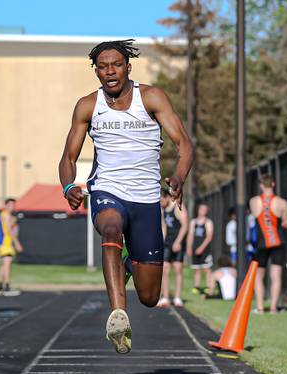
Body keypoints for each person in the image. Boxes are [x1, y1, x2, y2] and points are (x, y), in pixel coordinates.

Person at [58, 39, 194, 354]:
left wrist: (178, 177)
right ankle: (119, 315)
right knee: (109, 227)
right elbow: (67, 157)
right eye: (103, 66)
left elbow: (184, 144)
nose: (110, 71)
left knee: (149, 296)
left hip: (146, 200)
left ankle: (127, 264)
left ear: (127, 67)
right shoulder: (88, 106)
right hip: (107, 190)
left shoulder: (152, 97)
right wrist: (69, 187)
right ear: (96, 71)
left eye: (116, 64)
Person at [249, 174, 287, 314]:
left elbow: (255, 217)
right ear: (273, 184)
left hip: (261, 244)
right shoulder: (282, 203)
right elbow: (285, 224)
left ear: (261, 185)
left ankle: (260, 308)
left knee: (258, 277)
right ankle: (273, 308)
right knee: (276, 277)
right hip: (277, 243)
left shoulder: (254, 201)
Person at [157, 188, 189, 307]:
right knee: (165, 269)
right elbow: (164, 226)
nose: (160, 203)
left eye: (161, 200)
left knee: (178, 269)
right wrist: (162, 241)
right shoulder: (163, 209)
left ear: (166, 197)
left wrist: (178, 241)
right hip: (168, 243)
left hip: (178, 242)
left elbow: (185, 225)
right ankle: (165, 297)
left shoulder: (177, 207)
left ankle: (177, 297)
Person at [0, 198, 23, 296]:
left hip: (2, 242)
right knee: (7, 265)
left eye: (13, 205)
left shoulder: (3, 215)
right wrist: (17, 243)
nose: (12, 207)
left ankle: (0, 287)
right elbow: (8, 230)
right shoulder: (6, 215)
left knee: (3, 265)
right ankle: (6, 287)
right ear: (6, 205)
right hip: (5, 243)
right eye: (10, 205)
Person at [187, 202, 214, 295]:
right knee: (196, 269)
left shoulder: (208, 222)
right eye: (201, 209)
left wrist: (202, 248)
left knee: (207, 269)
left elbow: (209, 236)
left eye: (204, 210)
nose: (202, 211)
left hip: (205, 249)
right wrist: (189, 247)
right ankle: (196, 287)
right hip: (195, 247)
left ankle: (208, 286)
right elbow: (190, 235)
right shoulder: (193, 222)